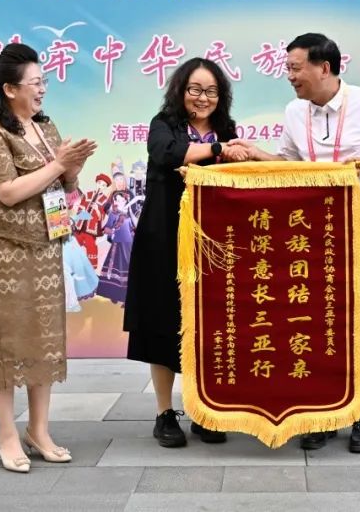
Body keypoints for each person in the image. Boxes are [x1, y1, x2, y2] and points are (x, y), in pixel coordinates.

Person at [235, 33, 360, 453]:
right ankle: (322, 413)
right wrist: (255, 153)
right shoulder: (294, 111)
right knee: (315, 319)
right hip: (313, 225)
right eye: (287, 68)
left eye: (295, 68)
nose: (290, 76)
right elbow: (288, 163)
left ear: (325, 67)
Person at [0, 43, 97, 472]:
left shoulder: (44, 125)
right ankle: (7, 433)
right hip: (7, 252)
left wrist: (72, 166)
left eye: (44, 82)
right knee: (9, 343)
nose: (42, 89)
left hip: (48, 246)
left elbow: (62, 185)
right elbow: (7, 193)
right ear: (9, 89)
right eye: (35, 82)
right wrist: (58, 164)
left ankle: (38, 430)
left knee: (45, 340)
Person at [124, 57, 248, 448]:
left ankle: (205, 410)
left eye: (212, 91)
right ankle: (165, 413)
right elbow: (168, 153)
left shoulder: (227, 129)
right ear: (181, 90)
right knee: (162, 325)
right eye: (195, 89)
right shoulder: (164, 124)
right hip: (164, 239)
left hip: (212, 243)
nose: (203, 98)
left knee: (209, 325)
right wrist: (218, 150)